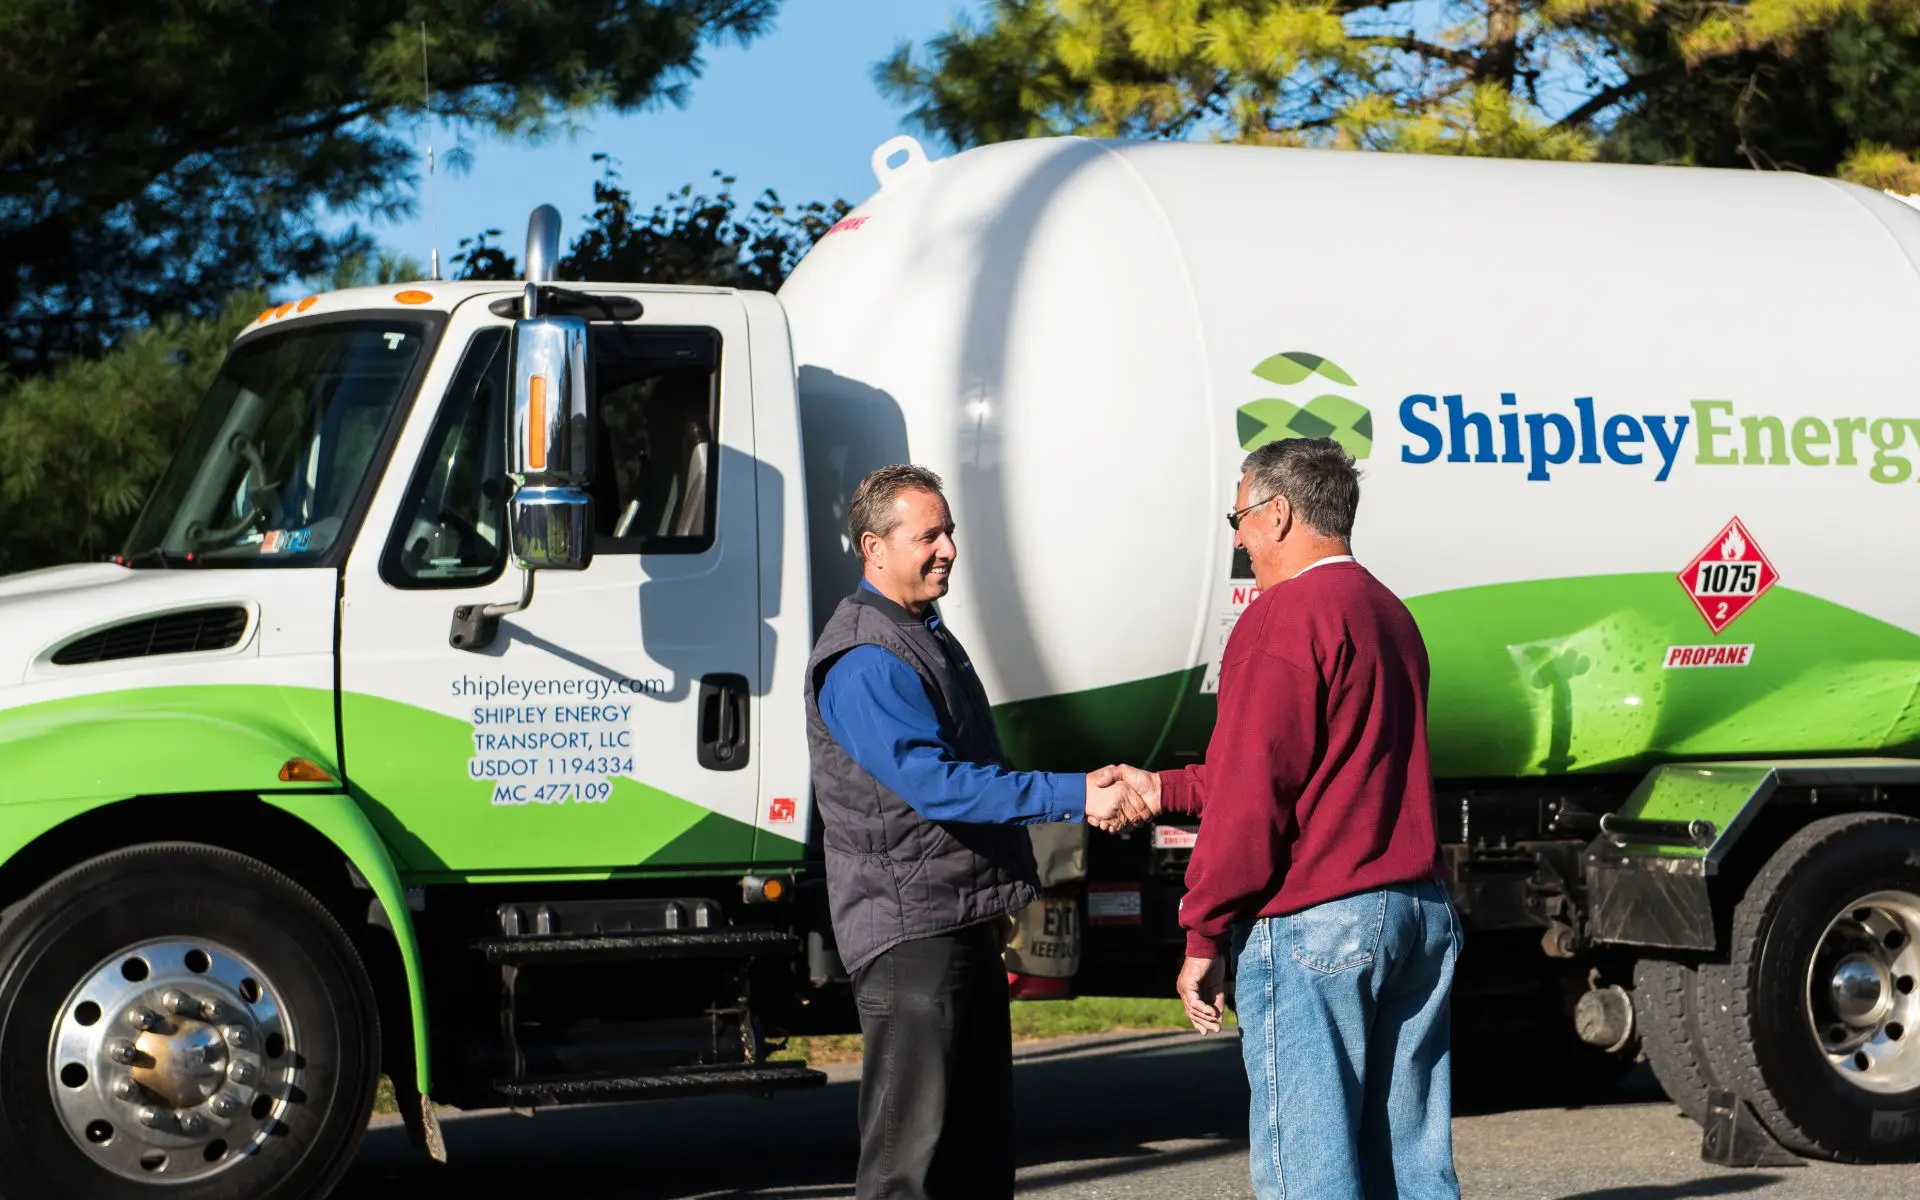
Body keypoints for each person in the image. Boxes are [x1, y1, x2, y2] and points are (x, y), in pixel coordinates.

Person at [1103, 437, 1460, 1200]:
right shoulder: (1389, 614)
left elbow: (1252, 800)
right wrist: (1161, 789)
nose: (1237, 539)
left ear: (1279, 513)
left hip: (1319, 921)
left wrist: (1203, 933)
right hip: (1417, 915)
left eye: (1238, 518)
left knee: (1310, 1174)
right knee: (1412, 1171)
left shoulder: (1281, 618)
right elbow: (1315, 768)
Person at [804, 464, 1149, 1200]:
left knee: (977, 1151)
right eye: (928, 536)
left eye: (950, 532)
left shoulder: (918, 630)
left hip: (953, 919)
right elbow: (938, 785)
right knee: (911, 1164)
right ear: (873, 547)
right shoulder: (866, 658)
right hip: (911, 934)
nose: (949, 549)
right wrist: (1075, 794)